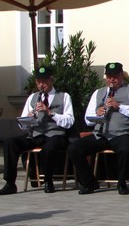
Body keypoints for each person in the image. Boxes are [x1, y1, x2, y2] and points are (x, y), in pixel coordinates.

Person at [67, 63, 129, 195]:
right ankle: (89, 182)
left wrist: (119, 106)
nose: (112, 80)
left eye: (115, 76)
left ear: (121, 76)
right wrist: (97, 113)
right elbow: (87, 119)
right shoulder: (99, 93)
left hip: (121, 134)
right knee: (74, 148)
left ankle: (122, 183)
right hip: (101, 134)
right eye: (109, 76)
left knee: (126, 149)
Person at [0, 66, 74, 195]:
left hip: (55, 134)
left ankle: (48, 180)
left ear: (52, 80)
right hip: (36, 134)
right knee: (10, 143)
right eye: (39, 81)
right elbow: (22, 125)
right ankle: (10, 183)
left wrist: (50, 112)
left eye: (44, 81)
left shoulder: (64, 96)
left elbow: (69, 121)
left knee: (49, 148)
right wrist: (28, 119)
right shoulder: (33, 97)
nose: (42, 85)